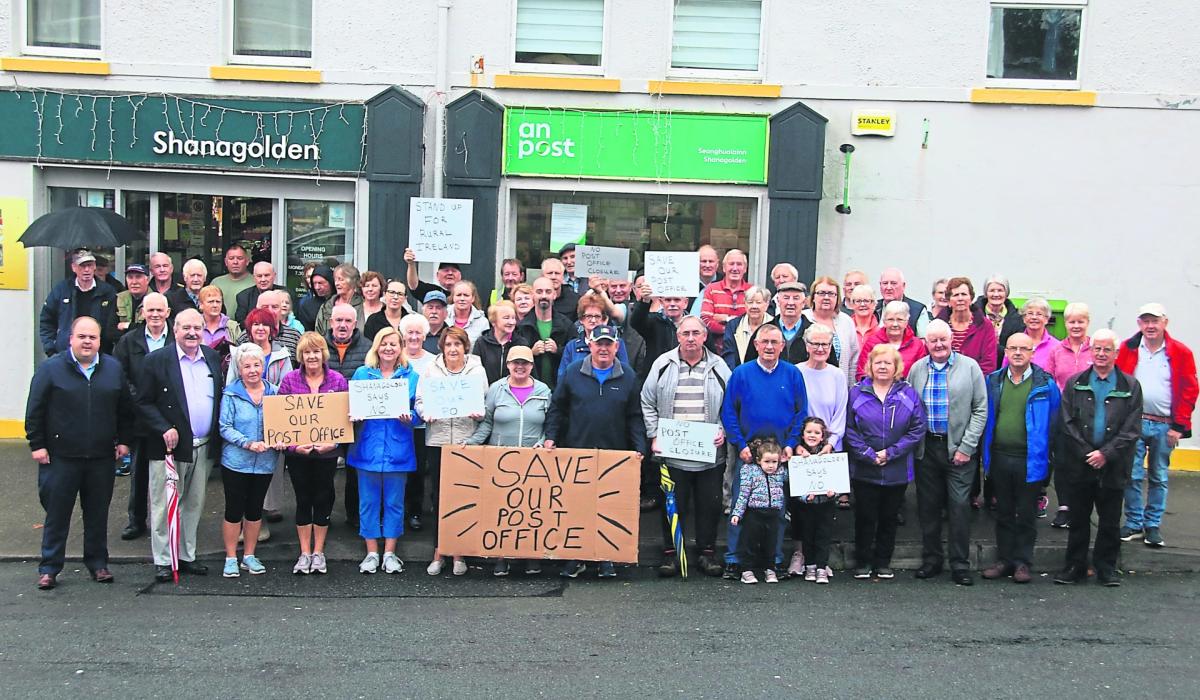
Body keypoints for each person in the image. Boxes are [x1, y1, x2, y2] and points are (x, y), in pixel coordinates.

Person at [25, 317, 133, 590]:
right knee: (57, 514)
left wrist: (124, 441)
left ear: (99, 341)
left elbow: (124, 410)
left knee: (97, 514)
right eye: (82, 336)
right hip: (61, 457)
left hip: (101, 457)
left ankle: (98, 564)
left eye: (93, 337)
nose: (87, 342)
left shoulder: (112, 369)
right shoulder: (51, 369)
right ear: (70, 339)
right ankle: (49, 568)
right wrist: (37, 444)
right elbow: (35, 410)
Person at [546, 324, 647, 579]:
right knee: (577, 507)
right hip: (577, 452)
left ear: (616, 347)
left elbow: (635, 416)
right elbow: (557, 408)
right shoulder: (572, 372)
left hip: (614, 455)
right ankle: (576, 557)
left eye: (608, 344)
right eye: (598, 343)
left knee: (608, 508)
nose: (603, 348)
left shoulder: (628, 377)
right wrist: (550, 438)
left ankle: (605, 558)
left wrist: (639, 448)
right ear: (589, 345)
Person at [136, 308, 224, 582]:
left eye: (197, 328)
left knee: (194, 504)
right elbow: (142, 402)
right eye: (186, 327)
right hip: (169, 450)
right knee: (164, 505)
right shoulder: (156, 361)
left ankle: (187, 555)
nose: (192, 333)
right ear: (175, 330)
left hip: (203, 445)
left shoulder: (211, 357)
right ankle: (164, 559)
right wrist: (164, 428)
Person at [641, 316, 731, 578]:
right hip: (673, 452)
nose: (690, 338)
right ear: (678, 336)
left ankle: (707, 554)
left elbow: (732, 403)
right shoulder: (663, 364)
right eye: (685, 333)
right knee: (673, 505)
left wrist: (723, 430)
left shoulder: (719, 366)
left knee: (709, 506)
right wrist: (654, 434)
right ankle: (670, 554)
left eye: (696, 333)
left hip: (709, 454)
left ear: (705, 337)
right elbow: (647, 401)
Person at [1054, 329, 1144, 587]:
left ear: (1116, 353)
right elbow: (1067, 422)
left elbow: (1131, 428)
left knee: (1110, 522)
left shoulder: (1130, 386)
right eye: (1097, 349)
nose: (1102, 354)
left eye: (1107, 350)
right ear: (1090, 351)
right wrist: (1087, 453)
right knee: (1079, 519)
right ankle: (1074, 567)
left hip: (1113, 466)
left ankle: (1107, 568)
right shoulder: (1076, 382)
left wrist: (1106, 453)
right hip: (1081, 465)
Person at [719, 324, 807, 579]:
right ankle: (735, 559)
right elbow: (729, 412)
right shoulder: (741, 373)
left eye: (774, 342)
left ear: (782, 346)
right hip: (748, 453)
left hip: (780, 455)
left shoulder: (792, 374)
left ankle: (774, 558)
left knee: (777, 509)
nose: (769, 347)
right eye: (764, 342)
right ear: (755, 345)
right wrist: (740, 444)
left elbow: (801, 412)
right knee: (741, 506)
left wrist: (791, 443)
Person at [908, 320, 988, 586]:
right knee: (928, 507)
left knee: (959, 506)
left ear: (952, 339)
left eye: (943, 339)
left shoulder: (970, 367)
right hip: (927, 447)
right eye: (933, 340)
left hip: (959, 448)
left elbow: (980, 409)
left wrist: (967, 447)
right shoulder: (918, 369)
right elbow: (911, 407)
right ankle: (932, 560)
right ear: (926, 343)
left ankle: (960, 564)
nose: (939, 345)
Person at [980, 333, 1062, 584]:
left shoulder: (1045, 384)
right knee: (1003, 511)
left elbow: (1055, 422)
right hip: (1000, 456)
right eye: (1012, 348)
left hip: (1031, 459)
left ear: (1032, 352)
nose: (1017, 353)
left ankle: (1023, 563)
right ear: (1005, 352)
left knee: (1026, 514)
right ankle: (1004, 560)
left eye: (1023, 349)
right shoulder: (993, 381)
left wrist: (1050, 458)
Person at [466, 345, 553, 576]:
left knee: (532, 510)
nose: (520, 367)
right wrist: (472, 443)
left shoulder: (543, 390)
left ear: (532, 366)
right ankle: (500, 556)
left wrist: (544, 442)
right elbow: (487, 422)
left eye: (525, 363)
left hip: (534, 462)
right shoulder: (497, 389)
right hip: (501, 461)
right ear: (508, 365)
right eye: (516, 363)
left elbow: (550, 424)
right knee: (502, 510)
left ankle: (531, 556)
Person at [1116, 303, 1197, 548]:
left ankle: (1152, 525)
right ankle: (1133, 522)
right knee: (1132, 475)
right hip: (1135, 422)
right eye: (1146, 321)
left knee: (1159, 476)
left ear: (1165, 323)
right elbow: (1119, 383)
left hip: (1165, 425)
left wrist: (1179, 426)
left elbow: (1190, 390)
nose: (1150, 326)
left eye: (1155, 321)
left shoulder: (1180, 352)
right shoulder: (1129, 349)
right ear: (1139, 324)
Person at [845, 344, 926, 580]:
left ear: (896, 367)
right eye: (878, 362)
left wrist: (891, 453)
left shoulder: (908, 394)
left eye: (887, 363)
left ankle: (883, 562)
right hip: (864, 468)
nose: (882, 366)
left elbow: (918, 427)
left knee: (889, 518)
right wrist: (869, 454)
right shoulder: (857, 393)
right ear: (870, 365)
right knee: (865, 517)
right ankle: (862, 562)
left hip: (897, 468)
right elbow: (849, 429)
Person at [348, 326, 420, 575]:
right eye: (384, 343)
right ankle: (371, 553)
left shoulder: (411, 376)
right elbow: (350, 409)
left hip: (398, 451)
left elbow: (420, 414)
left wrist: (409, 417)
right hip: (367, 448)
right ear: (376, 347)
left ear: (401, 348)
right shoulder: (362, 374)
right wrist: (353, 416)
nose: (388, 348)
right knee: (367, 503)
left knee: (394, 503)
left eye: (393, 344)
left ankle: (390, 552)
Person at [277, 332, 349, 575]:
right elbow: (280, 422)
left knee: (323, 498)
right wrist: (294, 447)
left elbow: (345, 418)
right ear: (301, 355)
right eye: (307, 352)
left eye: (316, 351)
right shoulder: (289, 381)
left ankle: (319, 552)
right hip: (299, 454)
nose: (312, 356)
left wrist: (334, 443)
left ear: (323, 354)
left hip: (327, 454)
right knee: (302, 499)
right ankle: (304, 552)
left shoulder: (338, 380)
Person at [417, 327, 487, 576]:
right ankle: (439, 551)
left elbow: (484, 401)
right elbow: (420, 401)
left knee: (463, 497)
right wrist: (427, 414)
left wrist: (479, 413)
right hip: (438, 441)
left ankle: (459, 553)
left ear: (465, 346)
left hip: (465, 441)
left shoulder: (476, 370)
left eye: (457, 344)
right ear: (442, 348)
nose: (453, 349)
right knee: (439, 497)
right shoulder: (430, 369)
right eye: (448, 345)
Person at [113, 292, 171, 542]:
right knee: (139, 474)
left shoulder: (176, 339)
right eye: (151, 310)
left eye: (160, 310)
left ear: (168, 313)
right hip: (139, 419)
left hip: (170, 418)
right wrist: (139, 400)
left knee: (170, 475)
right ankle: (136, 520)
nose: (155, 315)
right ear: (142, 313)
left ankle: (169, 520)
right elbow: (120, 375)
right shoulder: (128, 341)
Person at [217, 343, 279, 578]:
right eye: (247, 366)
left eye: (257, 365)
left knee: (255, 510)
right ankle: (231, 557)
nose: (253, 370)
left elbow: (283, 423)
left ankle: (250, 556)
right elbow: (225, 426)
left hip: (264, 462)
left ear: (263, 366)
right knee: (233, 510)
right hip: (236, 461)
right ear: (239, 369)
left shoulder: (275, 392)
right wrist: (247, 442)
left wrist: (280, 440)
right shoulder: (231, 393)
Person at [1044, 302, 1095, 528]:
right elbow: (1048, 381)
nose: (1076, 326)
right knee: (1063, 463)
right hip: (1064, 416)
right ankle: (1064, 507)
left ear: (1087, 323)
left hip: (1092, 417)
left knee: (1085, 463)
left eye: (1080, 321)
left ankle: (1081, 507)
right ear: (1065, 324)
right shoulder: (1056, 350)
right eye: (1072, 321)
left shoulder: (1096, 349)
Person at [323, 303, 371, 527]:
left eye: (347, 321)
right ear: (331, 322)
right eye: (338, 320)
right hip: (325, 419)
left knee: (354, 470)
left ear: (355, 323)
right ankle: (324, 514)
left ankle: (354, 516)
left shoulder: (369, 349)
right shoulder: (319, 346)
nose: (342, 325)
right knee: (326, 469)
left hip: (357, 420)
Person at [795, 324, 849, 514]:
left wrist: (830, 444)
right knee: (801, 508)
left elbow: (841, 412)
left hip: (828, 449)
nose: (820, 349)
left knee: (825, 509)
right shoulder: (796, 372)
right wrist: (797, 444)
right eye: (815, 344)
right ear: (806, 346)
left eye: (825, 344)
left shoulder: (837, 375)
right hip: (800, 449)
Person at [729, 437, 787, 585]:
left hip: (773, 513)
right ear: (758, 460)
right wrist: (737, 513)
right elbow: (743, 494)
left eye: (774, 462)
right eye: (767, 462)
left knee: (771, 543)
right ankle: (747, 570)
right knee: (749, 542)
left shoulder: (781, 472)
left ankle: (770, 568)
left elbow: (798, 479)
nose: (771, 466)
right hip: (754, 513)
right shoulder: (750, 471)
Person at [39, 249, 118, 356]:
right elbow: (46, 321)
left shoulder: (108, 292)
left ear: (94, 266)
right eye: (82, 266)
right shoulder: (61, 290)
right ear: (74, 268)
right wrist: (51, 348)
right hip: (66, 354)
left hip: (99, 355)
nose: (87, 270)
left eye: (90, 265)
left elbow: (113, 325)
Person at [789, 417, 838, 584]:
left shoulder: (830, 454)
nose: (812, 435)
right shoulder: (798, 455)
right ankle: (809, 566)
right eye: (809, 432)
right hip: (806, 505)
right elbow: (794, 482)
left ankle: (822, 568)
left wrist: (834, 493)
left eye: (817, 432)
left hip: (826, 504)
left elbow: (837, 479)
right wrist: (804, 496)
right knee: (807, 535)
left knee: (823, 536)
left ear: (823, 435)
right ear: (802, 435)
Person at [399, 313, 436, 531]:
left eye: (417, 333)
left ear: (425, 335)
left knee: (418, 470)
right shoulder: (394, 357)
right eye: (409, 332)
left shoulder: (433, 361)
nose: (413, 337)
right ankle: (396, 511)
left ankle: (415, 511)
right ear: (402, 335)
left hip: (421, 425)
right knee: (396, 470)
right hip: (395, 424)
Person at [557, 295, 630, 383]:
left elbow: (625, 374)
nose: (593, 320)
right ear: (581, 319)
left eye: (597, 316)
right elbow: (562, 377)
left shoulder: (616, 343)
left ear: (604, 320)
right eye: (588, 316)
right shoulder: (572, 346)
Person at [514, 277, 572, 389]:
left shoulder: (567, 325)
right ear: (533, 295)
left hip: (559, 389)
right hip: (529, 390)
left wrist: (558, 350)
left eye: (548, 291)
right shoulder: (521, 327)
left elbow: (574, 356)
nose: (544, 296)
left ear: (554, 295)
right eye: (539, 292)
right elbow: (512, 359)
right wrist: (530, 353)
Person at [803, 276, 860, 386]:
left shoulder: (846, 322)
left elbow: (853, 361)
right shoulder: (803, 318)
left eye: (831, 294)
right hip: (807, 385)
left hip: (838, 385)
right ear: (813, 297)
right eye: (821, 293)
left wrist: (851, 389)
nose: (826, 297)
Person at [937, 276, 998, 375]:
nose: (960, 298)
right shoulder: (938, 325)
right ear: (948, 300)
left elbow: (989, 363)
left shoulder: (985, 326)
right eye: (956, 295)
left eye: (964, 294)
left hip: (974, 382)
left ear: (971, 298)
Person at [743, 282, 813, 366]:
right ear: (778, 302)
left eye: (796, 298)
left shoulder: (814, 332)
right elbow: (749, 366)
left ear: (804, 303)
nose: (790, 303)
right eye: (786, 298)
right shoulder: (762, 332)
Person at [857, 300, 928, 380]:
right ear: (884, 321)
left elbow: (921, 375)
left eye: (900, 320)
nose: (895, 324)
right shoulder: (872, 342)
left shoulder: (917, 345)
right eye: (890, 319)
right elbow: (862, 373)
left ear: (906, 322)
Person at [699, 249, 750, 354]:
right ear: (724, 268)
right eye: (731, 264)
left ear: (745, 269)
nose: (735, 268)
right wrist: (737, 327)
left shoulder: (752, 291)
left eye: (739, 264)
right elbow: (705, 322)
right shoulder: (711, 289)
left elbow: (754, 322)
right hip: (716, 352)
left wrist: (726, 319)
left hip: (744, 353)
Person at [473, 300, 529, 386]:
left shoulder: (521, 343)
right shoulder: (481, 343)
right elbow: (475, 373)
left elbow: (529, 373)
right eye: (506, 318)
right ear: (493, 321)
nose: (511, 322)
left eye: (513, 318)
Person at [630, 281, 688, 363]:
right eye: (668, 300)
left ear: (685, 303)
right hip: (657, 373)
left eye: (677, 300)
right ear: (661, 302)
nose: (672, 304)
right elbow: (636, 322)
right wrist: (645, 301)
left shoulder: (695, 325)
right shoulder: (654, 321)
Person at [978, 274, 1024, 369]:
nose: (996, 294)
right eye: (992, 291)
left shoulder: (1017, 319)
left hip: (1007, 368)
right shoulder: (974, 315)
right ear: (986, 293)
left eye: (1000, 290)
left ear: (1006, 293)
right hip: (980, 366)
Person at [722, 285, 772, 370]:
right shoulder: (733, 326)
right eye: (750, 302)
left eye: (758, 302)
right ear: (744, 304)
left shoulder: (774, 325)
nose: (754, 306)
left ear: (766, 304)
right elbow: (729, 354)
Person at [315, 263, 366, 335]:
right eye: (336, 280)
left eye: (341, 279)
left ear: (352, 281)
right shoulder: (327, 306)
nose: (337, 283)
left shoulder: (362, 305)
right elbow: (318, 333)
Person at [876, 267, 928, 336]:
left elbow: (923, 342)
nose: (888, 287)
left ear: (903, 286)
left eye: (893, 283)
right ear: (880, 285)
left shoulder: (918, 310)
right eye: (885, 283)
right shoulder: (873, 308)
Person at [234, 262, 289, 327]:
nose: (263, 279)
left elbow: (292, 318)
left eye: (267, 275)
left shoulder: (286, 294)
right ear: (254, 277)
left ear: (274, 276)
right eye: (259, 276)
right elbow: (242, 322)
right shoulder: (244, 297)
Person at [209, 244, 255, 315]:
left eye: (240, 258)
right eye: (231, 258)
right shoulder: (216, 283)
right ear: (226, 262)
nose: (235, 262)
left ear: (247, 261)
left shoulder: (255, 282)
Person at [448, 280, 489, 346]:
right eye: (458, 295)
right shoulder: (444, 317)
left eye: (466, 295)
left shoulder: (483, 322)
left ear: (473, 298)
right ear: (453, 297)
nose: (462, 298)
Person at [165, 259, 207, 323]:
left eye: (199, 275)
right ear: (185, 277)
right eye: (192, 275)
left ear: (204, 278)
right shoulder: (171, 298)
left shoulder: (212, 297)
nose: (196, 279)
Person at [540, 257, 580, 322]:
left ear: (563, 276)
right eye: (550, 273)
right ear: (542, 276)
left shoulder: (575, 300)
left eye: (557, 273)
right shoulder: (534, 298)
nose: (553, 277)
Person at [297, 264, 334, 332]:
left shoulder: (340, 301)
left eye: (320, 283)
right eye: (314, 283)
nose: (317, 287)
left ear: (330, 282)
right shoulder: (307, 306)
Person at [115, 262, 150, 333]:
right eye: (130, 277)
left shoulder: (155, 299)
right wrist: (137, 326)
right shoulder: (118, 298)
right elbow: (110, 332)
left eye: (138, 277)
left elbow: (151, 329)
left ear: (147, 280)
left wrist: (128, 325)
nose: (134, 282)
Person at [848, 283, 880, 348]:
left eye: (866, 301)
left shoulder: (880, 332)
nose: (862, 304)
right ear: (852, 304)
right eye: (858, 301)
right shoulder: (846, 329)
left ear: (874, 304)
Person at [420, 290, 451, 354]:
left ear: (446, 313)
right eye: (430, 308)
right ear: (423, 311)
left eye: (438, 308)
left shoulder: (452, 335)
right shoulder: (416, 335)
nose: (434, 311)